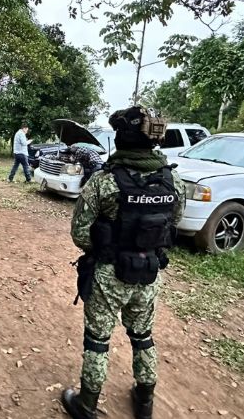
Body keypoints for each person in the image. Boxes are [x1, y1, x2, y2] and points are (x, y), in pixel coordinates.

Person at [62, 106, 185, 419]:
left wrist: (107, 246)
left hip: (108, 275)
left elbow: (80, 235)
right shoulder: (174, 181)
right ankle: (145, 402)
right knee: (143, 337)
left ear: (120, 139)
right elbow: (174, 226)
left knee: (98, 341)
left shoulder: (103, 182)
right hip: (149, 273)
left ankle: (87, 405)